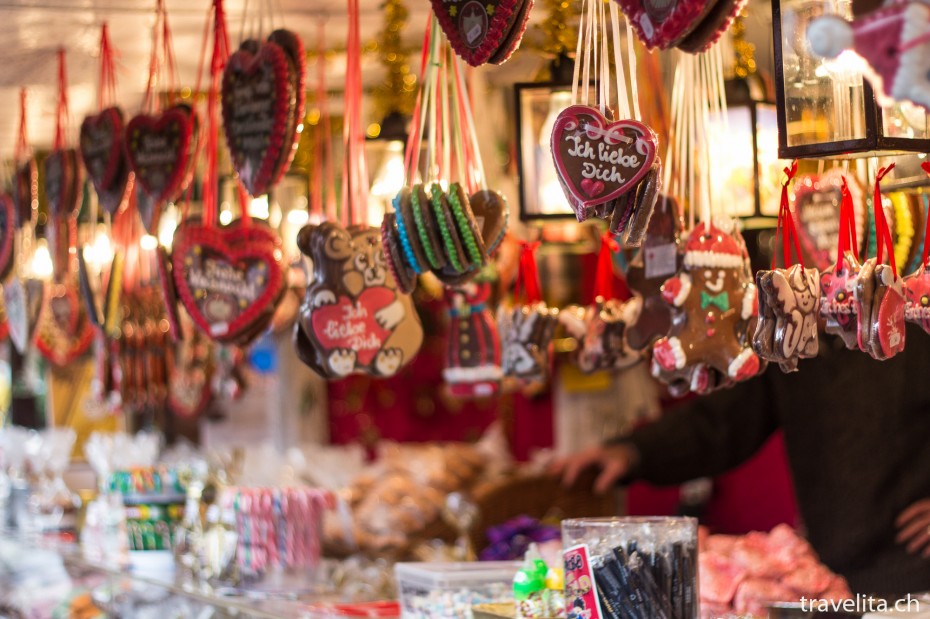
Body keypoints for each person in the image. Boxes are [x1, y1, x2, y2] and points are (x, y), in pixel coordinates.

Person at [552, 323, 930, 597]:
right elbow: (723, 421)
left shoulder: (915, 304)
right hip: (831, 568)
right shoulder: (802, 322)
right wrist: (635, 451)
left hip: (916, 572)